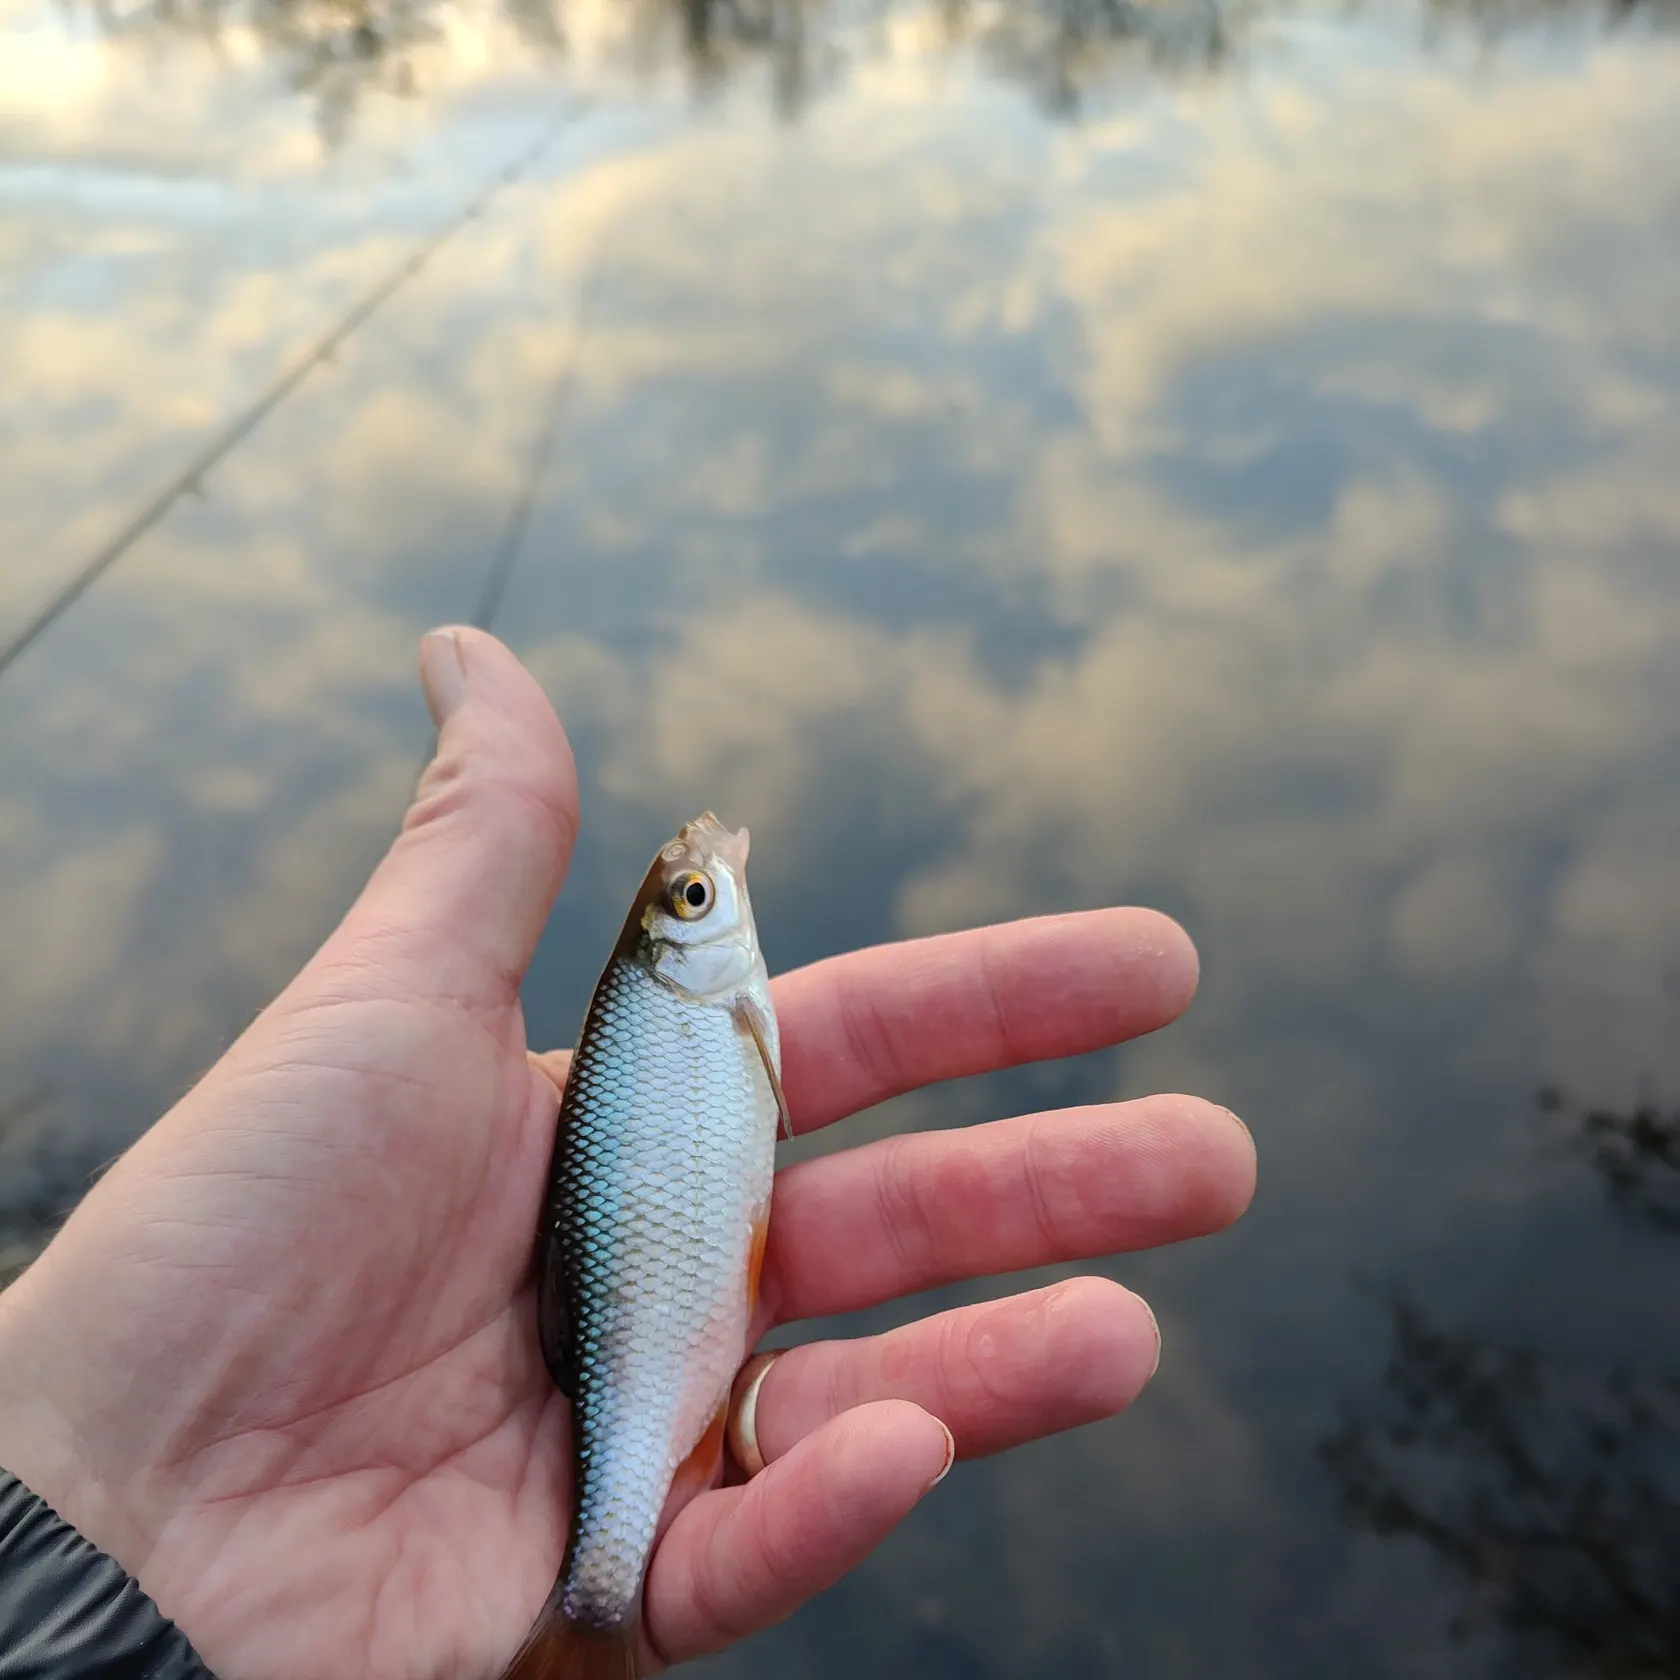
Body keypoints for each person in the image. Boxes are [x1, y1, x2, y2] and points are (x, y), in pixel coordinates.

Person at [0, 629, 1256, 1678]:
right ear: (676, 947)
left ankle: (586, 1610)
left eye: (692, 892)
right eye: (691, 899)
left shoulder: (699, 1009)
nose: (706, 886)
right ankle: (584, 1619)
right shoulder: (694, 1006)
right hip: (640, 1355)